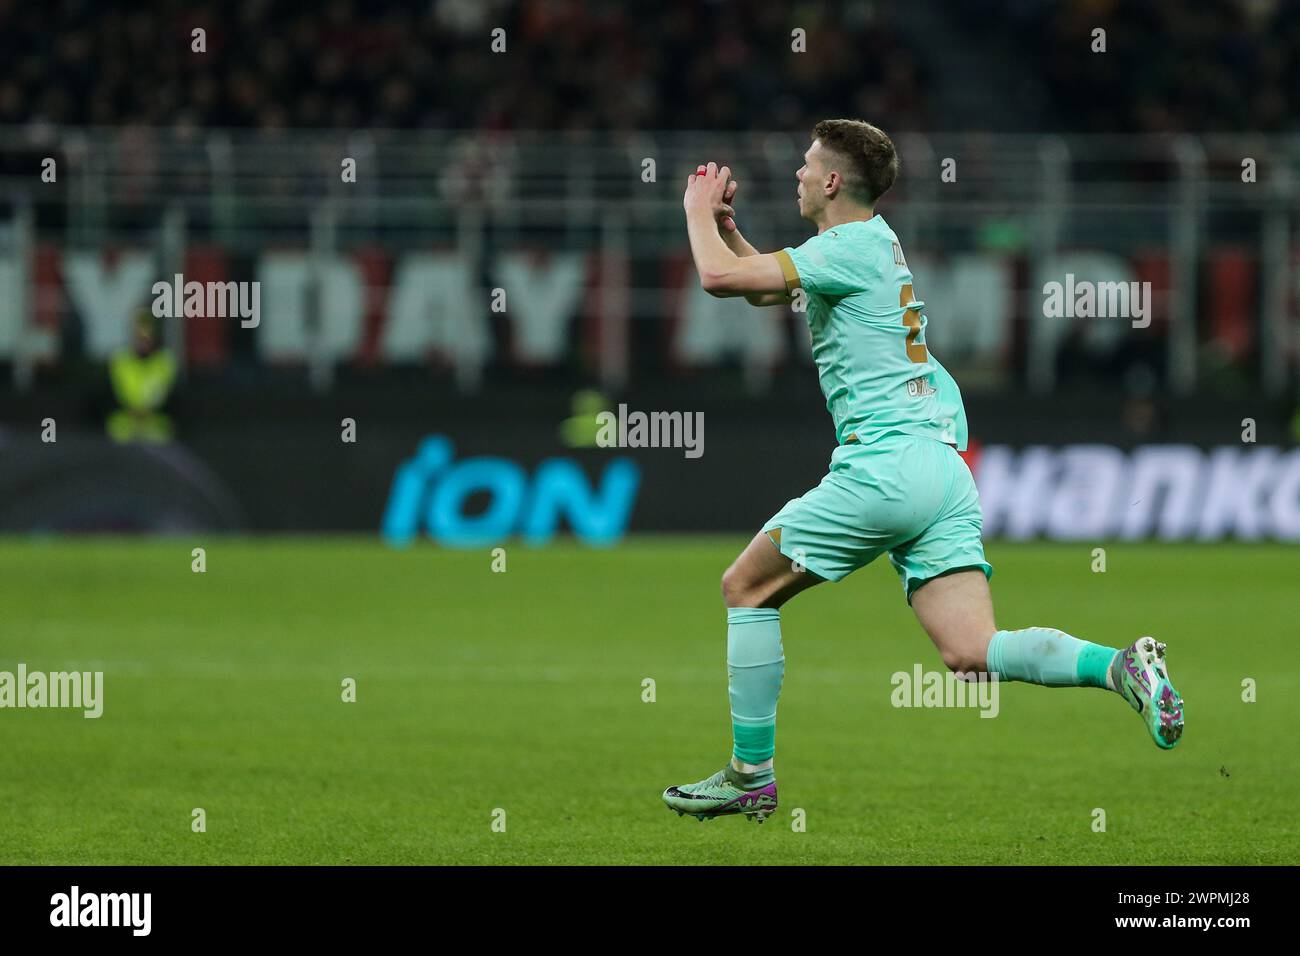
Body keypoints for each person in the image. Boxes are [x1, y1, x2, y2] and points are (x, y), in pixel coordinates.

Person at [663, 120, 1184, 823]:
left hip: (886, 465)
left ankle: (750, 774)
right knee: (972, 650)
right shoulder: (865, 246)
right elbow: (766, 290)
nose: (796, 173)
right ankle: (1120, 666)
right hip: (941, 468)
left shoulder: (846, 247)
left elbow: (719, 279)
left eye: (806, 163)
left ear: (832, 182)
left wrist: (696, 213)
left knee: (746, 588)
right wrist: (730, 229)